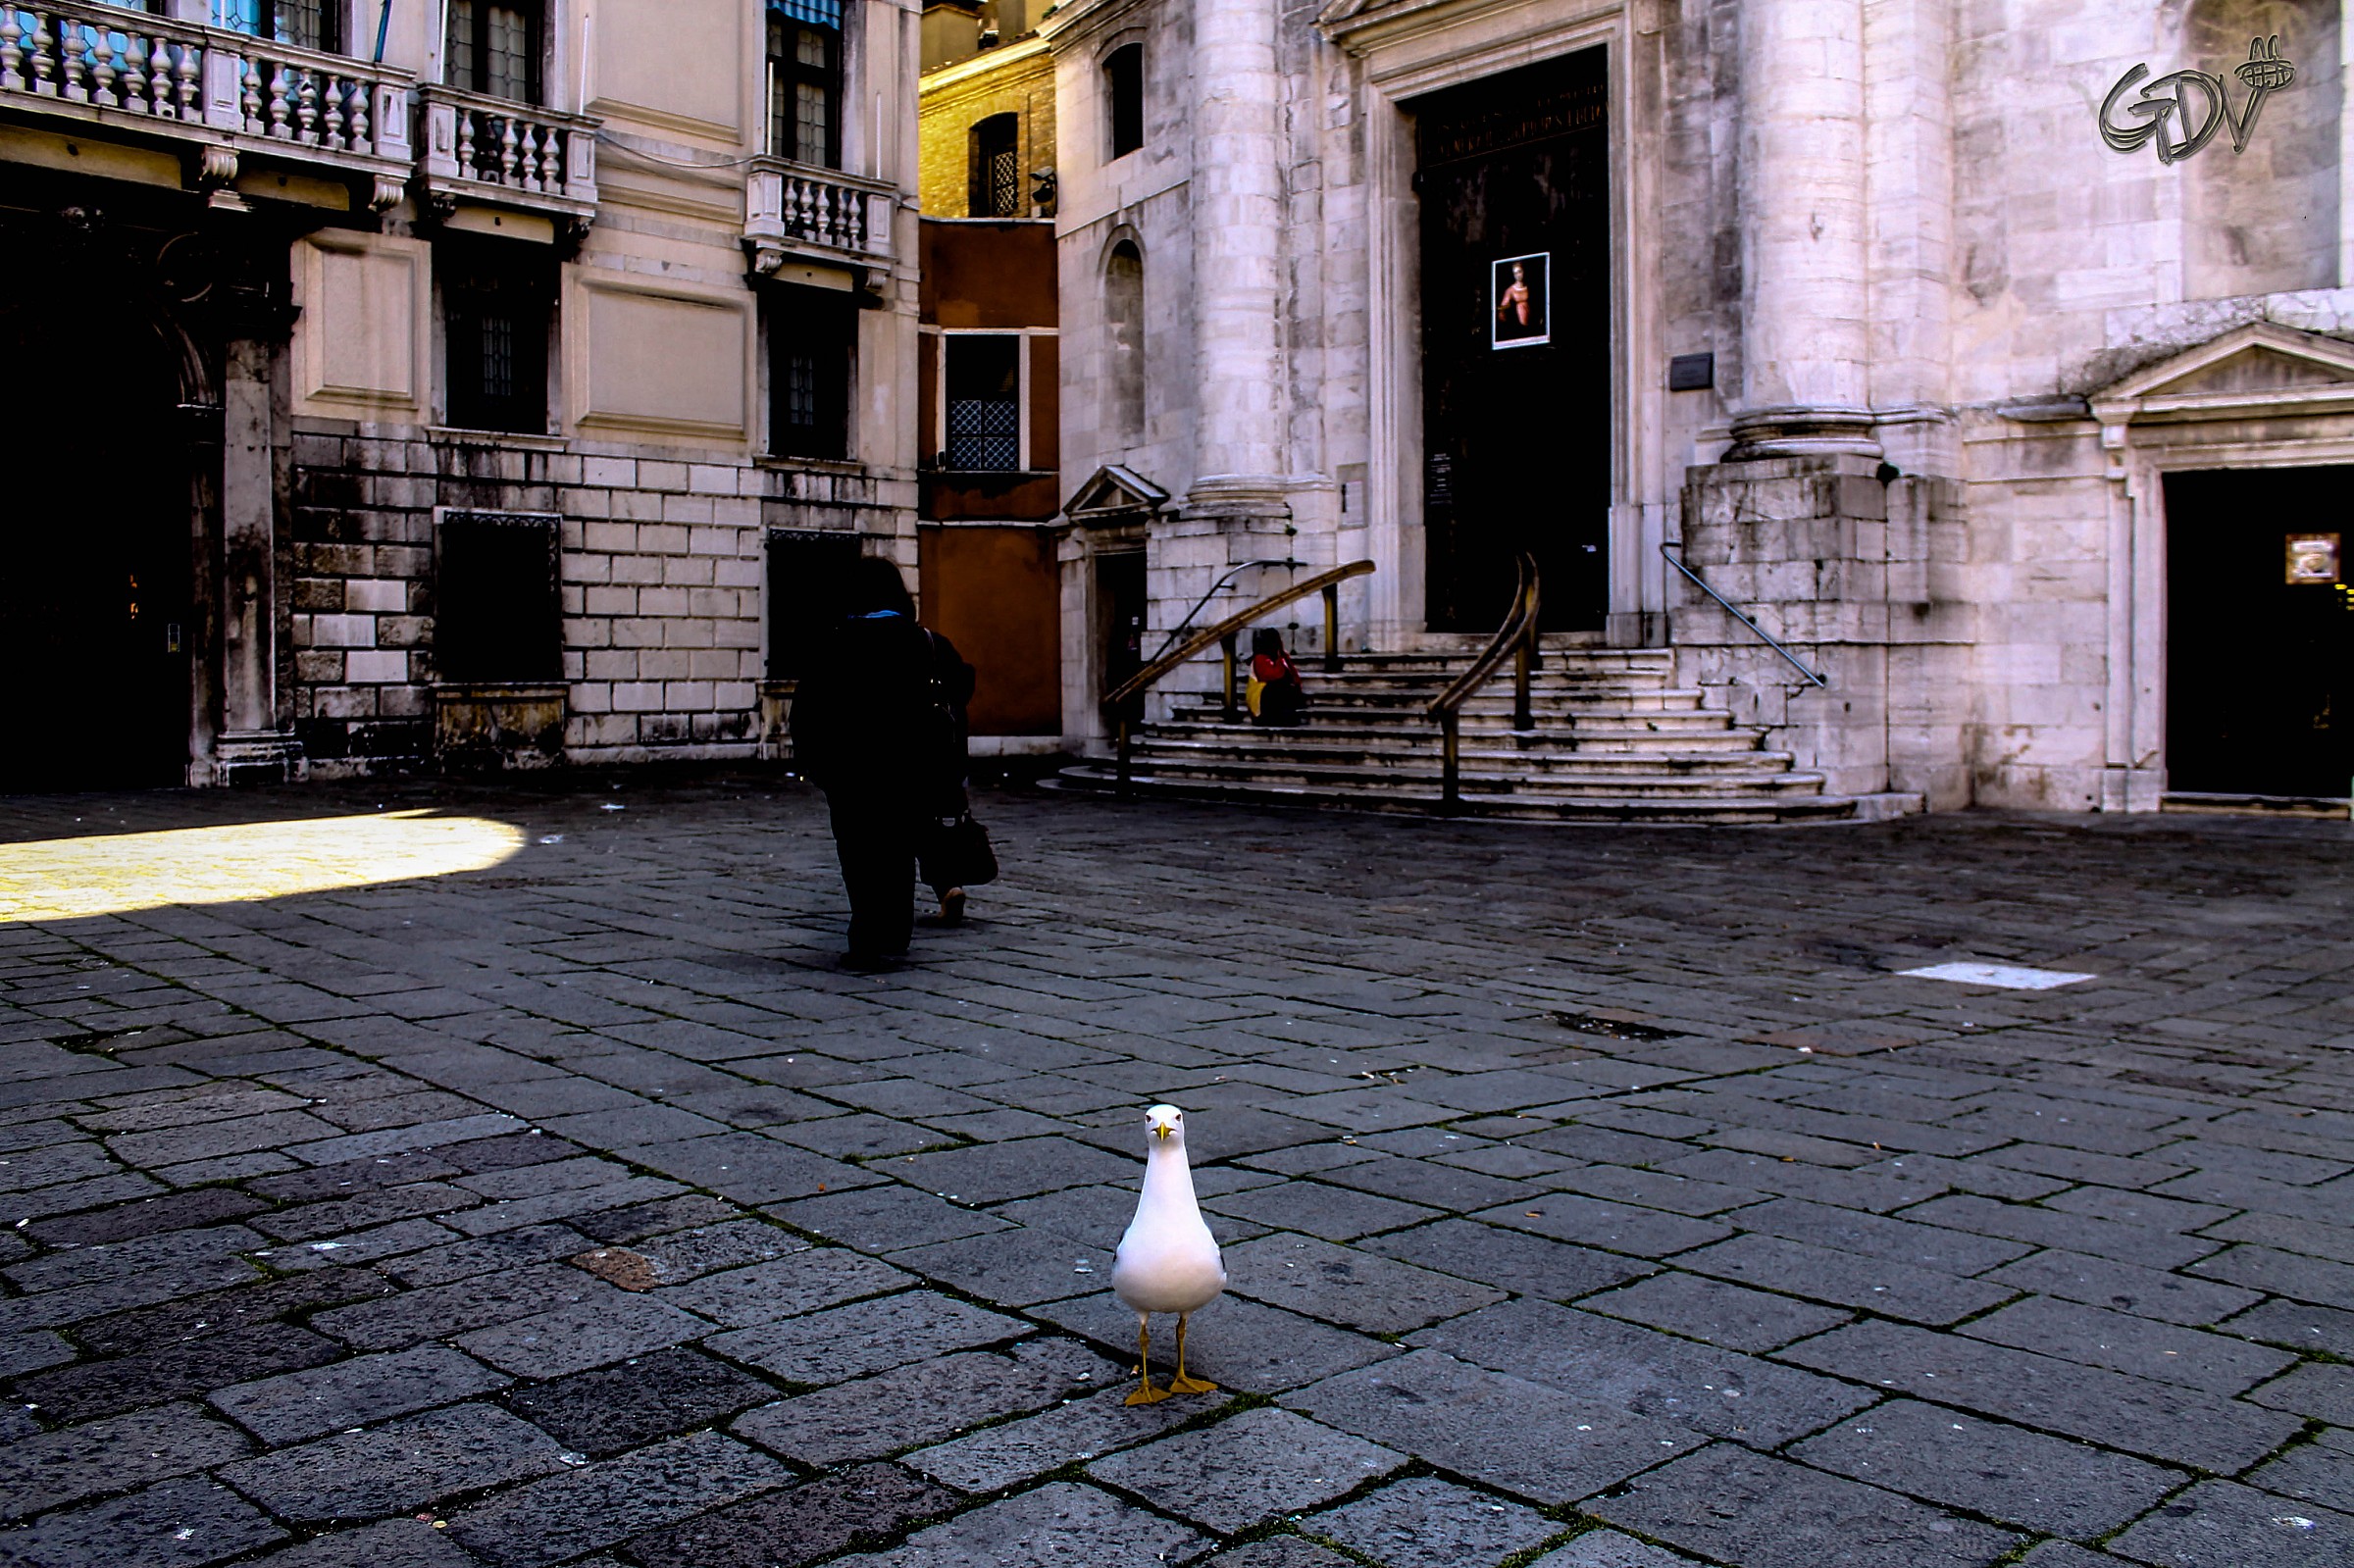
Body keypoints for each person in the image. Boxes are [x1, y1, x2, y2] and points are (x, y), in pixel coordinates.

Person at [789, 556, 976, 963]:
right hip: (914, 769)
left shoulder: (832, 644)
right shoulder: (926, 643)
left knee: (859, 852)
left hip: (850, 772)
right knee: (899, 849)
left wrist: (816, 766)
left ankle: (869, 934)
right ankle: (894, 933)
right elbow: (962, 685)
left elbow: (805, 712)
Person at [1248, 628, 1306, 727]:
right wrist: (1279, 660)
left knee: (1288, 690)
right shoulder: (1260, 658)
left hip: (1277, 694)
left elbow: (1294, 675)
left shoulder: (1282, 656)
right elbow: (1274, 675)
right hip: (1261, 696)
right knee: (1276, 688)